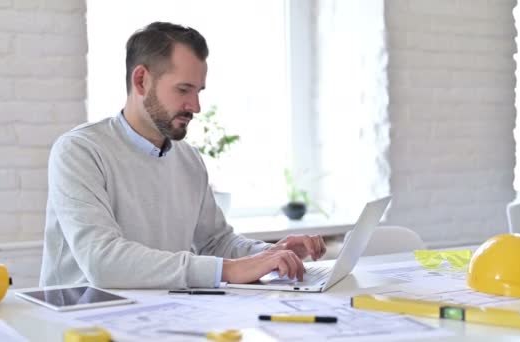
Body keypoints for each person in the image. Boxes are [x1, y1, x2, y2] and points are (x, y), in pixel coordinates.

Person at [39, 21, 326, 289]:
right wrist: (227, 270)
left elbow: (216, 243)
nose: (196, 106)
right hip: (81, 324)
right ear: (141, 81)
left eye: (198, 91)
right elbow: (102, 261)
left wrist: (271, 254)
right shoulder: (79, 152)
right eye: (183, 89)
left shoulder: (188, 159)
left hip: (160, 318)